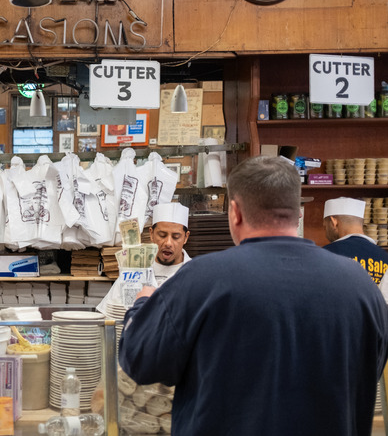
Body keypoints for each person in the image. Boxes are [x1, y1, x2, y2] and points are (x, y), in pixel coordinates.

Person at [119, 156, 388, 436]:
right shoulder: (360, 285)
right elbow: (372, 368)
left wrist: (142, 304)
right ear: (298, 213)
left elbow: (140, 361)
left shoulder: (201, 280)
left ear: (234, 212)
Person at [323, 197, 388, 285]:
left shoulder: (325, 254)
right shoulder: (384, 257)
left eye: (325, 226)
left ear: (333, 222)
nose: (325, 231)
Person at [148, 202, 191, 286]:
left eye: (176, 237)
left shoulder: (195, 273)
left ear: (186, 237)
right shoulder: (135, 271)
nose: (168, 243)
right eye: (162, 235)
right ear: (151, 234)